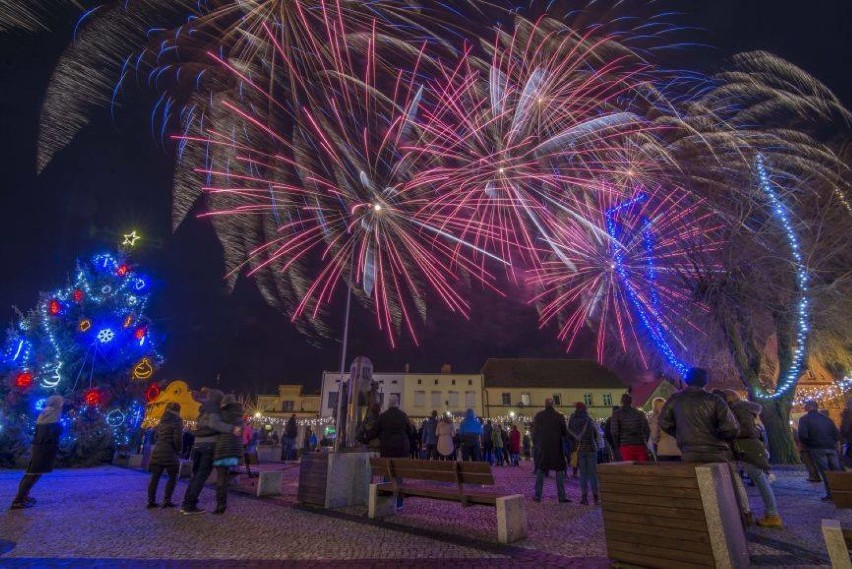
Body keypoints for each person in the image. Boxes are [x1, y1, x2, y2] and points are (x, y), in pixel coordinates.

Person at [659, 368, 752, 523]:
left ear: (687, 381)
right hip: (716, 451)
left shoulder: (675, 399)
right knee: (725, 487)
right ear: (705, 381)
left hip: (689, 451)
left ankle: (701, 520)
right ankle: (733, 520)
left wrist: (681, 434)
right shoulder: (714, 400)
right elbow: (731, 428)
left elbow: (664, 422)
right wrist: (718, 437)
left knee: (695, 487)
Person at [723, 390, 782, 528]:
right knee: (760, 480)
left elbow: (747, 430)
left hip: (748, 449)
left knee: (760, 480)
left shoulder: (739, 409)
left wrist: (730, 433)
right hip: (747, 449)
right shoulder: (741, 409)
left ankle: (773, 515)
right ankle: (771, 513)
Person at [180, 389, 241, 515]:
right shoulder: (213, 408)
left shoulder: (204, 408)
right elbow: (214, 424)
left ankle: (187, 503)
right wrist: (231, 428)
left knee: (196, 475)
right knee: (201, 476)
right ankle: (190, 505)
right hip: (208, 445)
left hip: (197, 444)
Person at [11, 395, 63, 510]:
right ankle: (18, 500)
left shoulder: (48, 412)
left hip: (43, 447)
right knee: (32, 473)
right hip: (43, 447)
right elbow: (55, 431)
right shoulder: (51, 415)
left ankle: (24, 496)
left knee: (36, 472)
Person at [363, 395, 413, 508]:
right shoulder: (403, 416)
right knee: (399, 476)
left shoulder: (383, 416)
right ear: (397, 404)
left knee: (387, 475)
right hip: (402, 450)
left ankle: (388, 502)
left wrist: (364, 440)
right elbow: (410, 432)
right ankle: (399, 504)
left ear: (389, 404)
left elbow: (374, 432)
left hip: (387, 451)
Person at [798, 399, 842, 501]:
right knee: (836, 471)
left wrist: (809, 445)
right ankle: (840, 492)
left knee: (825, 472)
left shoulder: (804, 419)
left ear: (808, 407)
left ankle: (831, 494)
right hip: (831, 447)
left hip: (817, 447)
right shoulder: (827, 419)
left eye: (805, 406)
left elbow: (802, 435)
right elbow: (836, 434)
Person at [532, 398, 570, 503]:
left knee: (541, 469)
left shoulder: (539, 416)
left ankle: (537, 495)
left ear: (545, 404)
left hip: (543, 447)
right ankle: (562, 496)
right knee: (559, 471)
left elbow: (534, 433)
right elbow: (564, 432)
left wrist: (536, 444)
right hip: (556, 446)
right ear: (553, 404)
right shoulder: (559, 416)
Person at [212, 395, 244, 514]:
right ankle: (222, 502)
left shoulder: (223, 413)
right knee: (225, 476)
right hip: (235, 451)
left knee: (221, 478)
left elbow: (215, 426)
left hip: (223, 448)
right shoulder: (239, 415)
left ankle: (221, 505)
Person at [147, 402, 183, 509]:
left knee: (155, 477)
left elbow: (156, 436)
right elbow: (178, 438)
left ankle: (151, 501)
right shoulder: (177, 421)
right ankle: (167, 500)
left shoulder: (162, 420)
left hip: (158, 449)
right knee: (173, 476)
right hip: (170, 451)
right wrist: (179, 449)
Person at [568, 402, 599, 505]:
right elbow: (595, 434)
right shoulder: (588, 419)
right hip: (591, 448)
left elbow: (569, 433)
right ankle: (595, 497)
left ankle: (584, 498)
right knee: (593, 474)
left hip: (579, 449)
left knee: (583, 474)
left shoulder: (572, 419)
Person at [611, 393, 650, 462]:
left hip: (625, 445)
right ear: (631, 402)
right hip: (640, 444)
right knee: (644, 468)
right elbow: (647, 430)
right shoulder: (640, 413)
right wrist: (645, 440)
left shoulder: (617, 414)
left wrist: (617, 445)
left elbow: (614, 432)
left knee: (630, 468)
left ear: (621, 402)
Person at [650, 397, 681, 461]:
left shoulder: (656, 417)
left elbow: (654, 434)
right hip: (678, 449)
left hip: (664, 449)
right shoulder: (675, 415)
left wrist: (656, 442)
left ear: (655, 406)